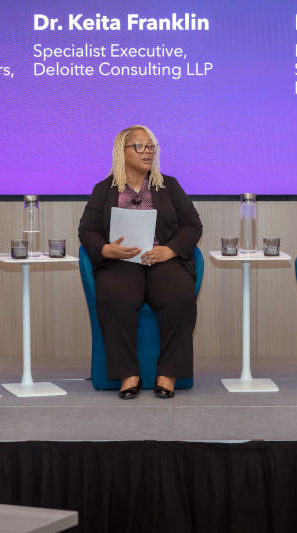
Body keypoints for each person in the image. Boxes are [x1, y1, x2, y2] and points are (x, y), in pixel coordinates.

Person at [78, 125, 203, 399]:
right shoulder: (104, 189)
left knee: (179, 297)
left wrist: (170, 250)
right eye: (140, 146)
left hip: (162, 260)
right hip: (122, 262)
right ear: (121, 152)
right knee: (115, 296)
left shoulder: (168, 186)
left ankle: (168, 374)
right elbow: (87, 230)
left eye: (151, 146)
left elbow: (193, 226)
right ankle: (128, 374)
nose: (147, 152)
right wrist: (106, 250)